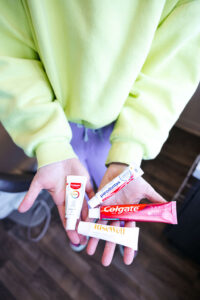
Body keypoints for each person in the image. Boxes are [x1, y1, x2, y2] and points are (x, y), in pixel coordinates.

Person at [0, 0, 200, 266]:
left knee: (102, 181)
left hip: (118, 127)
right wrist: (48, 141)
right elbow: (9, 47)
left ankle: (107, 228)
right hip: (58, 120)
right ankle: (81, 228)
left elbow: (175, 62)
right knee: (76, 186)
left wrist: (128, 152)